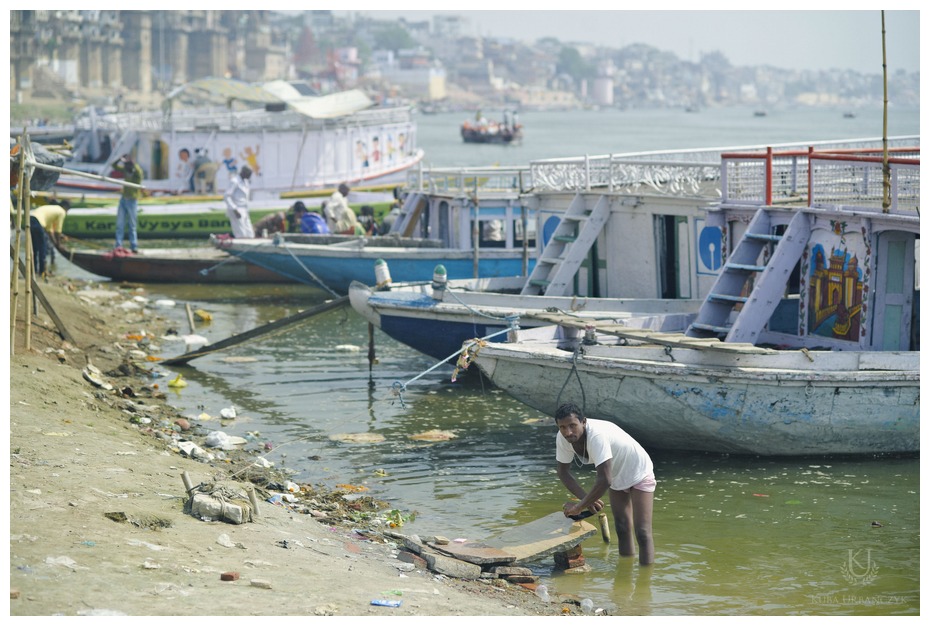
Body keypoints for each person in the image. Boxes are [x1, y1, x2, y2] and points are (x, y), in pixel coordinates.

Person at [554, 402, 655, 565]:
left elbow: (604, 480)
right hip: (615, 476)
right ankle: (625, 575)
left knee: (642, 532)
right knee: (622, 527)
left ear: (583, 422)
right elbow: (563, 472)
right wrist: (586, 499)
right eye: (563, 427)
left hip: (638, 470)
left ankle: (645, 585)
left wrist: (580, 506)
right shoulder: (563, 439)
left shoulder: (596, 436)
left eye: (573, 425)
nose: (568, 431)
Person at [112, 153, 144, 252]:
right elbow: (114, 166)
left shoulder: (137, 172)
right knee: (119, 224)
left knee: (132, 225)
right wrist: (120, 159)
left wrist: (132, 163)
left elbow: (139, 172)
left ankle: (134, 246)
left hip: (132, 200)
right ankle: (118, 245)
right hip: (123, 199)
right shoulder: (125, 169)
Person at [29, 199, 70, 277]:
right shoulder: (61, 212)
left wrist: (56, 243)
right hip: (38, 221)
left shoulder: (53, 209)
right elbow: (58, 231)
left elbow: (50, 231)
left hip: (31, 218)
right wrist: (59, 245)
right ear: (66, 208)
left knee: (34, 248)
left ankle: (33, 271)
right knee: (42, 247)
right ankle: (42, 271)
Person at [224, 165, 255, 238]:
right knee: (241, 234)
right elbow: (227, 196)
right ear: (244, 172)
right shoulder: (234, 181)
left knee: (250, 234)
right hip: (237, 210)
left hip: (245, 210)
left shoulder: (246, 182)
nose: (250, 176)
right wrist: (234, 209)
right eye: (249, 174)